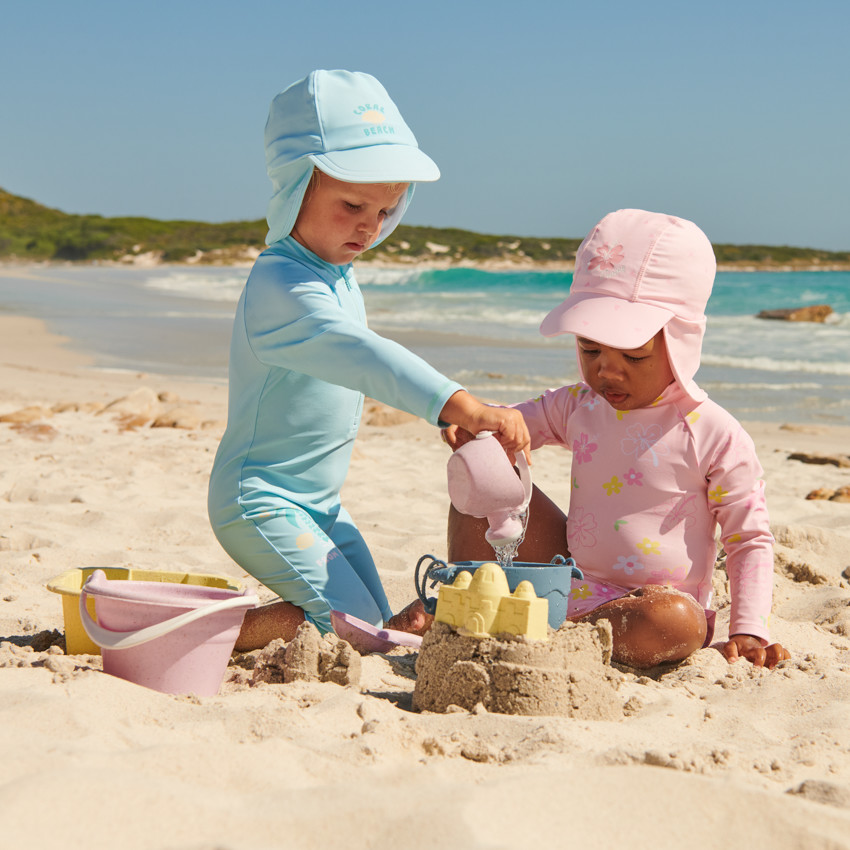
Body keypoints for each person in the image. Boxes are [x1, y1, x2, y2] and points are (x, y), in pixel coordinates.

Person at [208, 70, 529, 652]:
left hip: (324, 506)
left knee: (374, 624)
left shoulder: (337, 276)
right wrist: (457, 404)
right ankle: (206, 634)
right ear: (295, 187)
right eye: (352, 204)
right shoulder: (280, 284)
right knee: (356, 629)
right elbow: (364, 357)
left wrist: (447, 413)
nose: (369, 225)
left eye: (385, 210)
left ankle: (335, 627)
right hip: (261, 500)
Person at [446, 208, 790, 670]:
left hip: (647, 607)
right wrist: (481, 429)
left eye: (633, 355)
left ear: (680, 343)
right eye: (590, 349)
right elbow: (513, 424)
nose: (607, 371)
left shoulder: (712, 432)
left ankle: (559, 633)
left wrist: (748, 630)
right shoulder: (579, 404)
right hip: (569, 581)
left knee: (677, 623)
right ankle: (467, 600)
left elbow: (748, 537)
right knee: (481, 486)